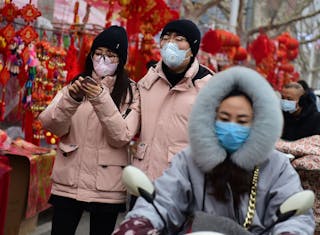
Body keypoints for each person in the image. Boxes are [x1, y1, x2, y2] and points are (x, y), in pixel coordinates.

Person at [113, 66, 315, 235]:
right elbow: (162, 202)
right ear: (211, 117)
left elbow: (295, 218)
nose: (232, 126)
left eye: (242, 120)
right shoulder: (189, 160)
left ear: (258, 123)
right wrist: (140, 223)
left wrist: (290, 231)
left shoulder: (277, 166)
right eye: (224, 118)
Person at [39, 26, 140, 235]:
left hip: (107, 186)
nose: (103, 59)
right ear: (91, 55)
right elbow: (51, 125)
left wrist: (100, 98)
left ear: (120, 60)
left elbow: (121, 136)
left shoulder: (131, 91)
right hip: (69, 180)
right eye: (99, 53)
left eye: (111, 55)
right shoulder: (76, 84)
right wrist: (71, 99)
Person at [132, 19, 214, 182]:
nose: (170, 44)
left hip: (180, 183)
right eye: (166, 37)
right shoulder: (148, 81)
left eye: (179, 39)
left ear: (192, 48)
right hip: (143, 180)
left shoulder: (209, 86)